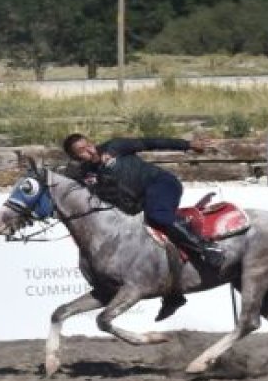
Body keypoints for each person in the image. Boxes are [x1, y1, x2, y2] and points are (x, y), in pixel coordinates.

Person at [62, 131, 224, 321]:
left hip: (161, 184)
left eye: (88, 144)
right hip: (136, 204)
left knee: (158, 216)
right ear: (76, 158)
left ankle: (206, 247)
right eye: (81, 151)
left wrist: (188, 145)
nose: (89, 150)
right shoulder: (85, 174)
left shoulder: (115, 146)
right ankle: (173, 293)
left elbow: (150, 141)